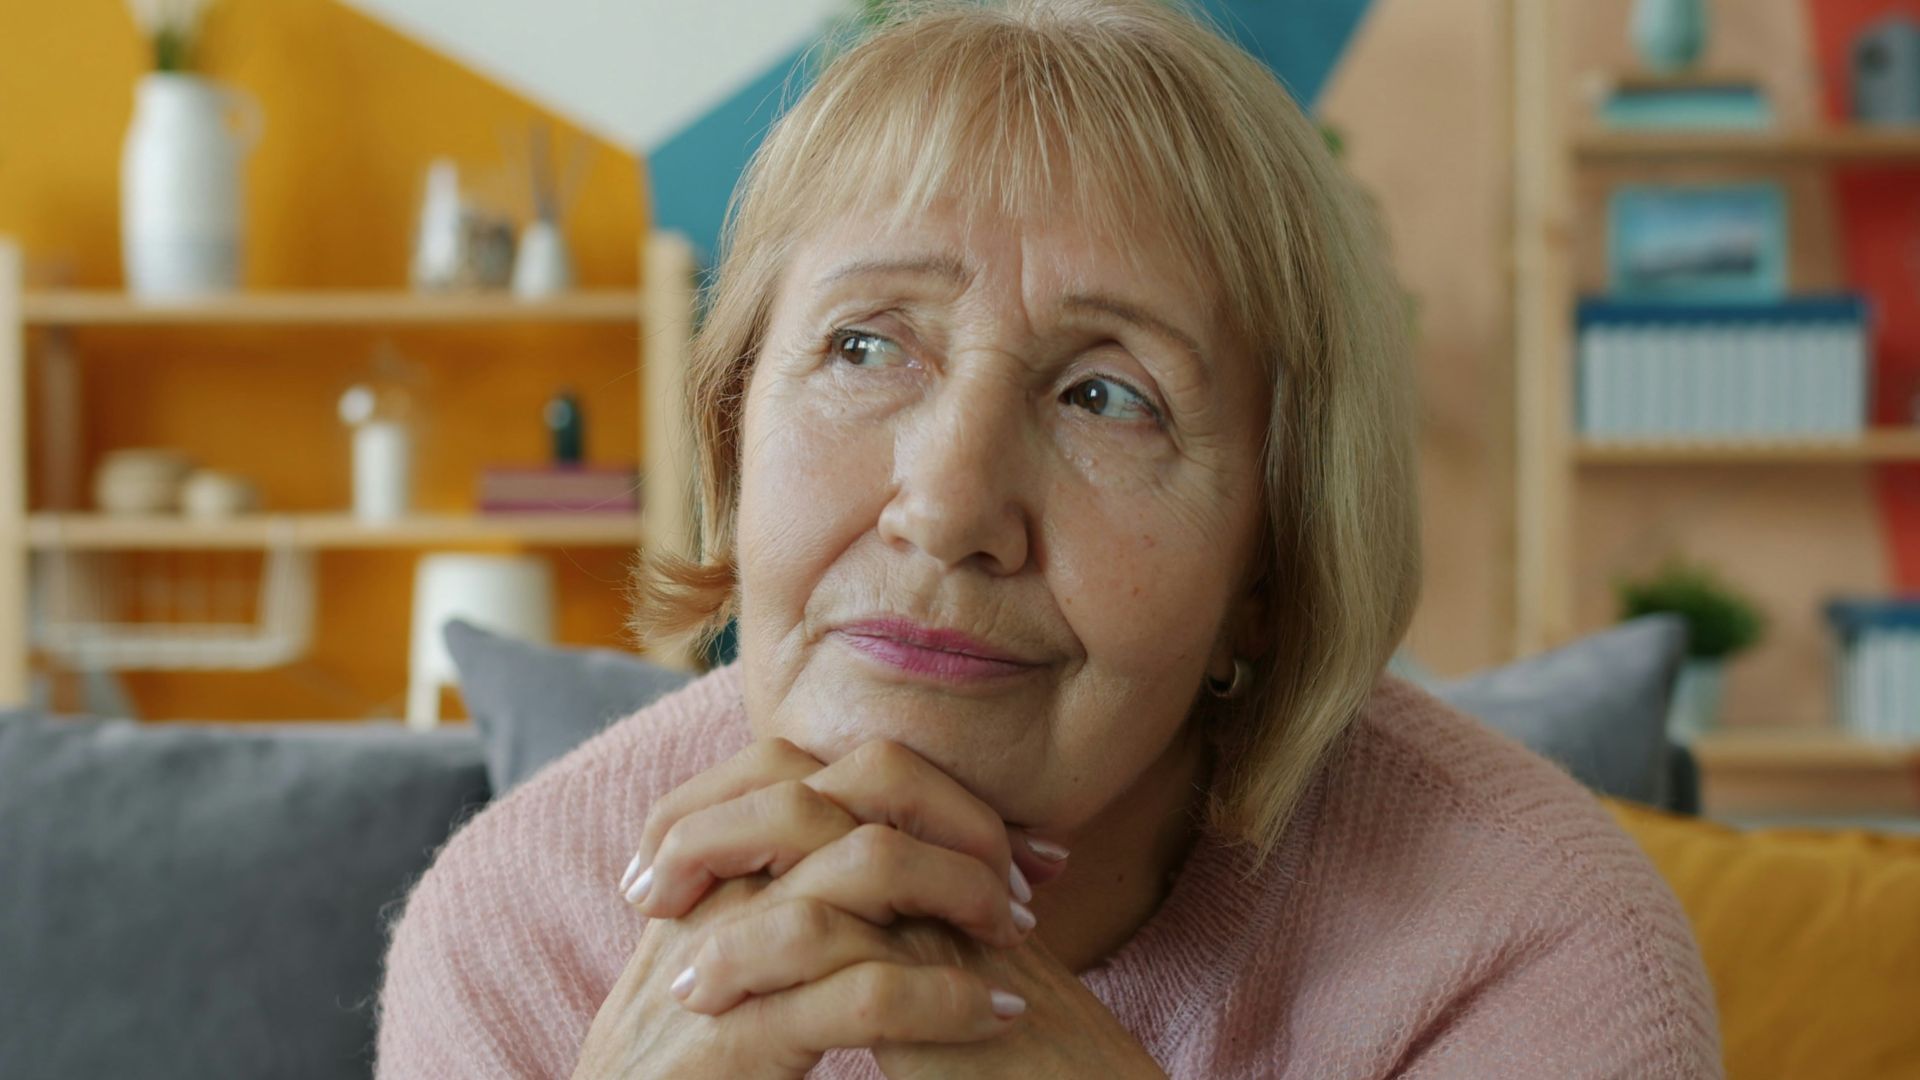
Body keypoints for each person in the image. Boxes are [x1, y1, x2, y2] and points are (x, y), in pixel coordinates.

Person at [375, 1, 1721, 1076]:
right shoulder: (519, 932)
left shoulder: (1526, 948)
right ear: (733, 437)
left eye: (1107, 396)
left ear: (1271, 557)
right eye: (864, 345)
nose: (950, 508)